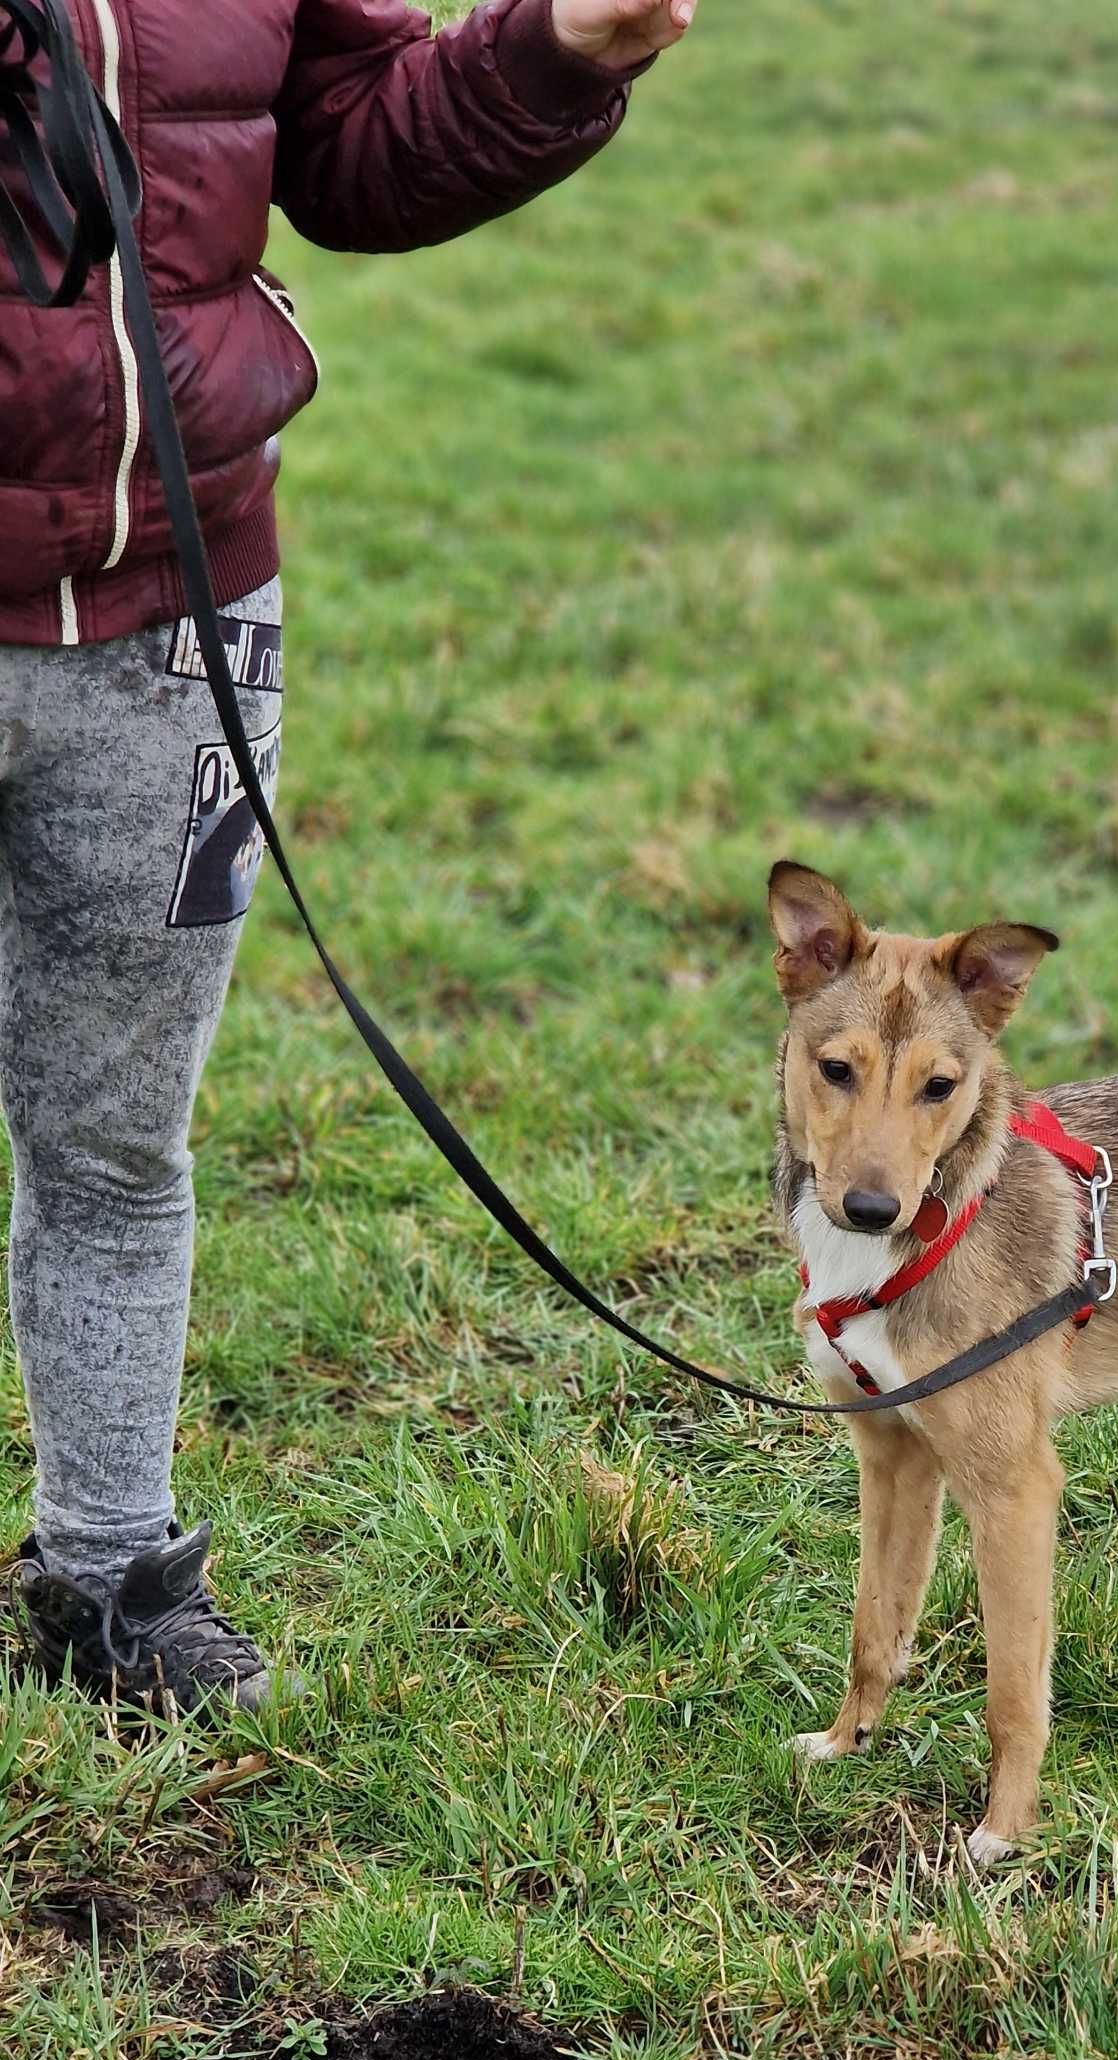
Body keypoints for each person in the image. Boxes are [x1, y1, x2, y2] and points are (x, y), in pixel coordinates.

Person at [0, 0, 696, 1711]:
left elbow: (351, 145)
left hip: (182, 615)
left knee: (116, 1139)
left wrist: (560, 47)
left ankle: (111, 1582)